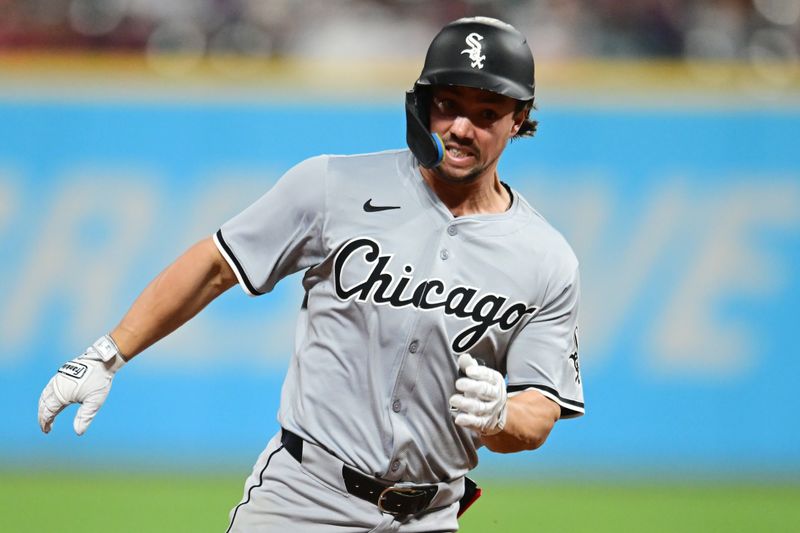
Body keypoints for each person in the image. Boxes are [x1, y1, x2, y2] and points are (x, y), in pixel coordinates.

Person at [38, 16, 584, 533]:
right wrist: (108, 354)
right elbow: (214, 266)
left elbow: (538, 411)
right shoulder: (332, 186)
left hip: (429, 513)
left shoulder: (545, 258)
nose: (462, 127)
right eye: (448, 105)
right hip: (301, 498)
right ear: (422, 104)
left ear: (520, 117)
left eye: (487, 112)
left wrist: (499, 415)